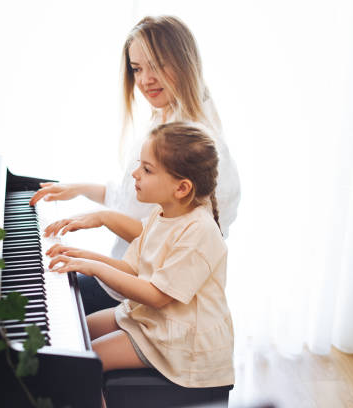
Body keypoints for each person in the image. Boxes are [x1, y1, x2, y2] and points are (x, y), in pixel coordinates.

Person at [30, 15, 240, 315]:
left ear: (184, 62)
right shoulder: (162, 117)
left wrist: (101, 218)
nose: (144, 80)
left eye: (156, 65)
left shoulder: (198, 143)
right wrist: (77, 189)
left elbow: (174, 238)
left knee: (42, 309)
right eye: (137, 69)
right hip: (126, 274)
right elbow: (132, 197)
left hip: (146, 295)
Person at [47, 122, 234, 401]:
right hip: (153, 320)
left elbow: (156, 296)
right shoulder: (162, 214)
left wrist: (94, 267)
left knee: (82, 366)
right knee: (78, 330)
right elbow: (132, 269)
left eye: (147, 170)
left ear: (181, 188)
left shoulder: (200, 231)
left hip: (180, 342)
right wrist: (82, 256)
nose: (135, 174)